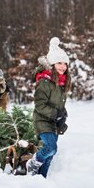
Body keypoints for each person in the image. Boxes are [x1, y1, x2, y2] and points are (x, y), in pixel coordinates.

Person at [26, 37, 71, 178]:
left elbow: (59, 104)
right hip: (42, 120)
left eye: (65, 63)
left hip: (54, 122)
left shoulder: (62, 82)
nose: (63, 66)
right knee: (51, 148)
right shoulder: (44, 81)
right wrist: (55, 114)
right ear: (52, 63)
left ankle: (40, 180)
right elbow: (39, 104)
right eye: (59, 63)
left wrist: (62, 115)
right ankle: (33, 163)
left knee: (50, 156)